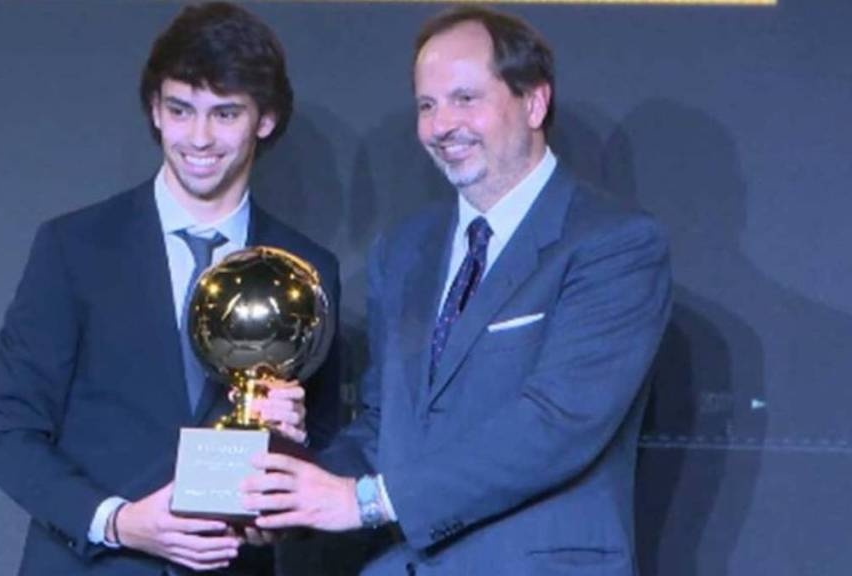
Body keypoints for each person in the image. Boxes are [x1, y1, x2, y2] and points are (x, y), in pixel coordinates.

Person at [242, 6, 671, 575]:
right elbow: (382, 426)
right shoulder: (403, 252)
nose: (441, 125)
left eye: (465, 98)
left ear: (534, 102)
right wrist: (294, 491)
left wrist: (364, 502)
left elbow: (555, 424)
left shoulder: (614, 246)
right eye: (427, 104)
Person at [0, 3, 341, 575]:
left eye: (225, 114)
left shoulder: (306, 270)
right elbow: (11, 436)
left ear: (265, 119)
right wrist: (119, 521)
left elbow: (324, 454)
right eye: (180, 110)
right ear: (155, 110)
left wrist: (290, 454)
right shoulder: (73, 248)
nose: (199, 138)